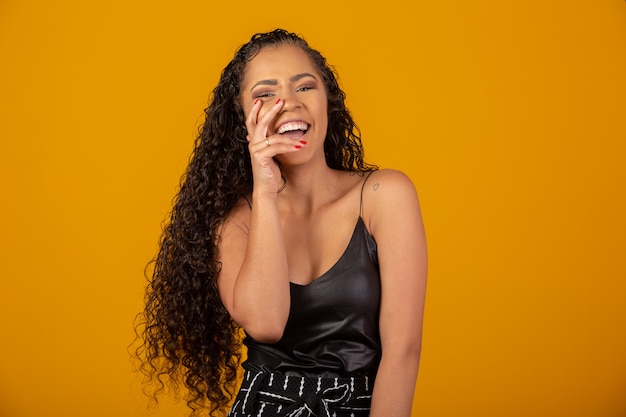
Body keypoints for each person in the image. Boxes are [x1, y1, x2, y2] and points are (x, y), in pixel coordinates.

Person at [137, 28, 427, 417]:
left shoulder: (384, 196)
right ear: (243, 121)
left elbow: (403, 350)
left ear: (328, 103)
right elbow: (266, 324)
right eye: (265, 94)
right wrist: (265, 192)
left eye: (305, 87)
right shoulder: (234, 220)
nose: (288, 103)